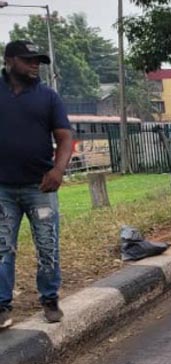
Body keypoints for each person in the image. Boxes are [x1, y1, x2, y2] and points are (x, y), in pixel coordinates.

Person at [0, 40, 73, 328]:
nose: (35, 65)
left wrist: (58, 170)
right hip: (2, 190)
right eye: (29, 59)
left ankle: (50, 298)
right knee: (2, 247)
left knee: (47, 245)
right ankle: (2, 306)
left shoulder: (48, 97)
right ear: (9, 61)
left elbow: (65, 137)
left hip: (40, 187)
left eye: (38, 61)